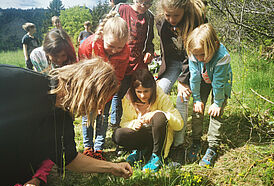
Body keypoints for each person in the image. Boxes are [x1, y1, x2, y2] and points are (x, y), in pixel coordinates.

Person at [0, 57, 133, 186]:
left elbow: (69, 158)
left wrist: (113, 167)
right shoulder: (20, 81)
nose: (99, 109)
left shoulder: (61, 116)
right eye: (99, 101)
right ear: (87, 90)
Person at [155, 0, 206, 162]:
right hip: (171, 63)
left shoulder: (195, 20)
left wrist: (184, 82)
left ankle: (178, 143)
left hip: (192, 63)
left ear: (184, 10)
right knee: (159, 92)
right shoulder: (161, 21)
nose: (171, 19)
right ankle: (157, 139)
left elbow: (190, 54)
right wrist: (162, 74)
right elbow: (164, 49)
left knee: (182, 98)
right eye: (167, 15)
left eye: (176, 15)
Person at [78, 12, 130, 159]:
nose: (115, 51)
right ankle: (88, 147)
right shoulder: (88, 46)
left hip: (108, 89)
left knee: (103, 116)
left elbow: (117, 78)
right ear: (102, 36)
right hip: (88, 87)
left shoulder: (125, 51)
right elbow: (82, 73)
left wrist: (104, 99)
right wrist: (93, 97)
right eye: (111, 46)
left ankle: (98, 148)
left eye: (119, 47)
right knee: (88, 116)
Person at [113, 69, 183, 172]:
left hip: (158, 137)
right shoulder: (128, 99)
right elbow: (124, 122)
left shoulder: (160, 96)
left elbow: (179, 124)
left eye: (146, 91)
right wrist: (133, 123)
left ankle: (156, 156)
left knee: (159, 116)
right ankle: (140, 151)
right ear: (134, 90)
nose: (142, 95)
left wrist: (158, 113)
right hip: (142, 135)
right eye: (139, 92)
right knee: (117, 134)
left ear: (152, 88)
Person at [186, 23, 232, 166]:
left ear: (215, 45)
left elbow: (219, 83)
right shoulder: (194, 54)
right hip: (202, 79)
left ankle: (213, 146)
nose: (199, 58)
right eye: (196, 55)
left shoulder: (222, 56)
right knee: (198, 109)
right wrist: (197, 99)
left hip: (221, 82)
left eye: (203, 54)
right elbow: (194, 77)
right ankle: (196, 141)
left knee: (215, 112)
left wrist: (217, 103)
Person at [110, 0, 155, 128]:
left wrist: (149, 51)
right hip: (121, 63)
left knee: (138, 94)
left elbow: (150, 40)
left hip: (138, 64)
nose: (144, 7)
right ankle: (115, 125)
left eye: (148, 4)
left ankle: (139, 124)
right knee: (118, 95)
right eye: (141, 3)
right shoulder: (121, 9)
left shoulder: (149, 17)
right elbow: (108, 30)